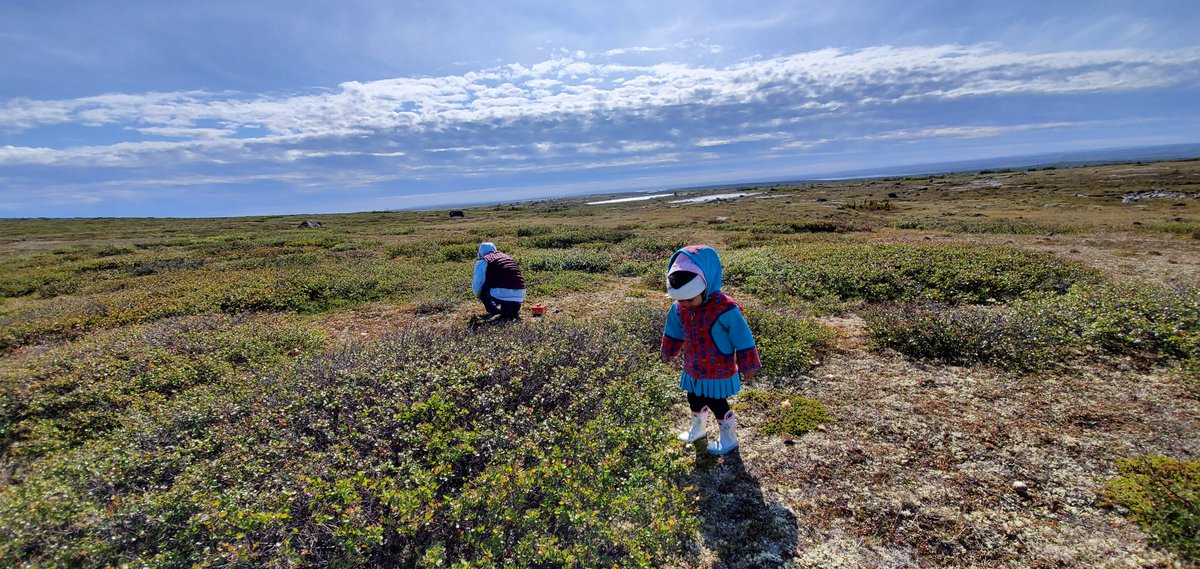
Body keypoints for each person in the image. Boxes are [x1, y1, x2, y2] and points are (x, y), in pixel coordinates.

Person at [660, 245, 760, 455]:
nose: (685, 304)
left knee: (717, 402)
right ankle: (698, 429)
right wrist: (668, 349)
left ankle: (729, 438)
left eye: (690, 299)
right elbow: (674, 329)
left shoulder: (725, 309)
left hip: (718, 368)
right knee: (693, 397)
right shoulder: (680, 307)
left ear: (705, 285)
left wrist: (748, 363)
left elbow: (742, 336)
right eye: (680, 299)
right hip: (693, 366)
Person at [472, 242, 526, 320]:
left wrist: (479, 295)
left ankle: (494, 310)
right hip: (521, 293)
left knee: (482, 287)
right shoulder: (507, 257)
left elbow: (478, 284)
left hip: (500, 293)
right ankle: (510, 310)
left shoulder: (484, 260)